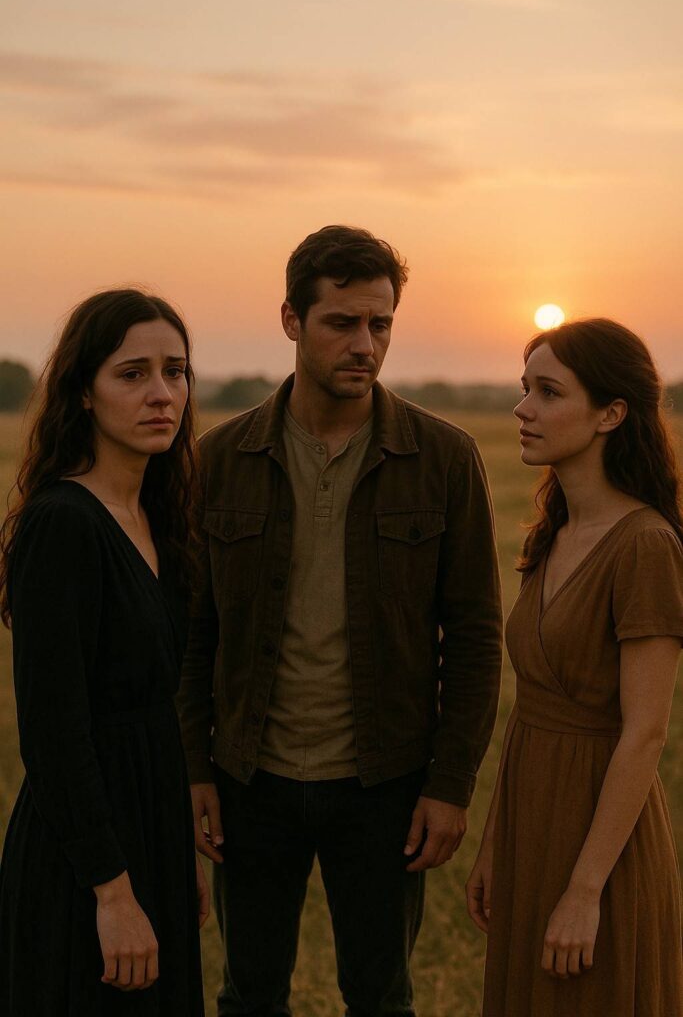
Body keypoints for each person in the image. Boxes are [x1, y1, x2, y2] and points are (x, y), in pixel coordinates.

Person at [177, 224, 503, 1016]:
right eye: (342, 322)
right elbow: (190, 633)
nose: (364, 344)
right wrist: (193, 769)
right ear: (291, 320)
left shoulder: (443, 458)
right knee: (248, 995)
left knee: (380, 997)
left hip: (384, 783)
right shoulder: (218, 459)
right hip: (250, 778)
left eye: (379, 324)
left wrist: (449, 786)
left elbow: (473, 638)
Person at [466, 318, 683, 1015]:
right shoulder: (554, 533)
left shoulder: (644, 545)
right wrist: (496, 843)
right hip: (530, 821)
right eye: (523, 388)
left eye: (548, 392)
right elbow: (532, 706)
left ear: (610, 415)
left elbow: (645, 733)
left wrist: (586, 891)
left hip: (600, 844)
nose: (521, 408)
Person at [0, 289, 207, 1015]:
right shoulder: (62, 525)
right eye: (132, 374)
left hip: (152, 829)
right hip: (84, 861)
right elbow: (54, 733)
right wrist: (112, 893)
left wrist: (174, 853)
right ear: (83, 392)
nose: (162, 394)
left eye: (175, 372)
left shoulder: (157, 518)